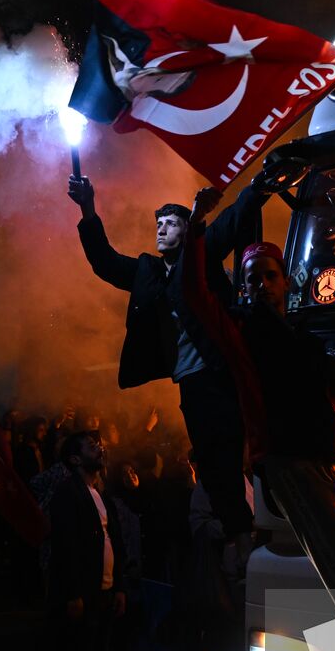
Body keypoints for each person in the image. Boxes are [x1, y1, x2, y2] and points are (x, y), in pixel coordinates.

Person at [182, 187, 335, 595]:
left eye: (272, 275)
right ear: (244, 288)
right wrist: (198, 225)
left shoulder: (301, 337)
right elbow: (195, 294)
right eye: (254, 278)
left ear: (286, 282)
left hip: (331, 457)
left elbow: (327, 396)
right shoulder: (240, 330)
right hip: (292, 464)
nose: (264, 284)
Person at [68, 171, 269, 558]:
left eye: (171, 224)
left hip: (224, 370)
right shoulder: (147, 271)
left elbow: (228, 224)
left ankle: (263, 529)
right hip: (192, 381)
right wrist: (87, 208)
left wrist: (258, 186)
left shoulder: (202, 253)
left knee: (241, 448)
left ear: (187, 229)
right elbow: (104, 262)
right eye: (158, 224)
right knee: (211, 463)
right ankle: (242, 540)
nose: (161, 230)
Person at [47, 431, 127, 651]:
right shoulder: (68, 493)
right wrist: (73, 593)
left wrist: (118, 585)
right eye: (92, 446)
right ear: (75, 459)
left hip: (104, 592)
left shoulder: (98, 494)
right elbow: (66, 547)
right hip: (86, 594)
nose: (101, 448)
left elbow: (114, 542)